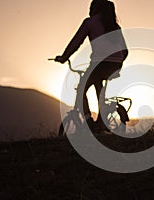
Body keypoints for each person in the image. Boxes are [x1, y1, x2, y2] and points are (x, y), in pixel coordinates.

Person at [55, 0, 128, 132]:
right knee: (97, 83)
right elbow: (125, 50)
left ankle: (89, 121)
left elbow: (76, 42)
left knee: (81, 89)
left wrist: (64, 57)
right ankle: (102, 120)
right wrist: (117, 63)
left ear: (95, 8)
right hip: (116, 64)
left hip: (99, 63)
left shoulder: (90, 22)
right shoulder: (115, 26)